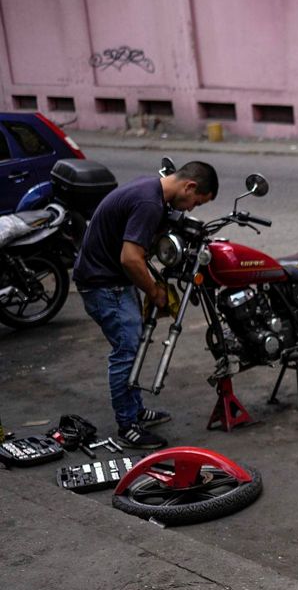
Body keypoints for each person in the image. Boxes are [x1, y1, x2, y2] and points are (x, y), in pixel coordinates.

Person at [72, 161, 218, 450]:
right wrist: (154, 291)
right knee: (126, 351)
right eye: (196, 202)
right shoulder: (149, 202)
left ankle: (135, 411)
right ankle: (128, 426)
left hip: (110, 279)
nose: (191, 209)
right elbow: (130, 258)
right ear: (189, 186)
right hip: (105, 284)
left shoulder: (150, 189)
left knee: (134, 345)